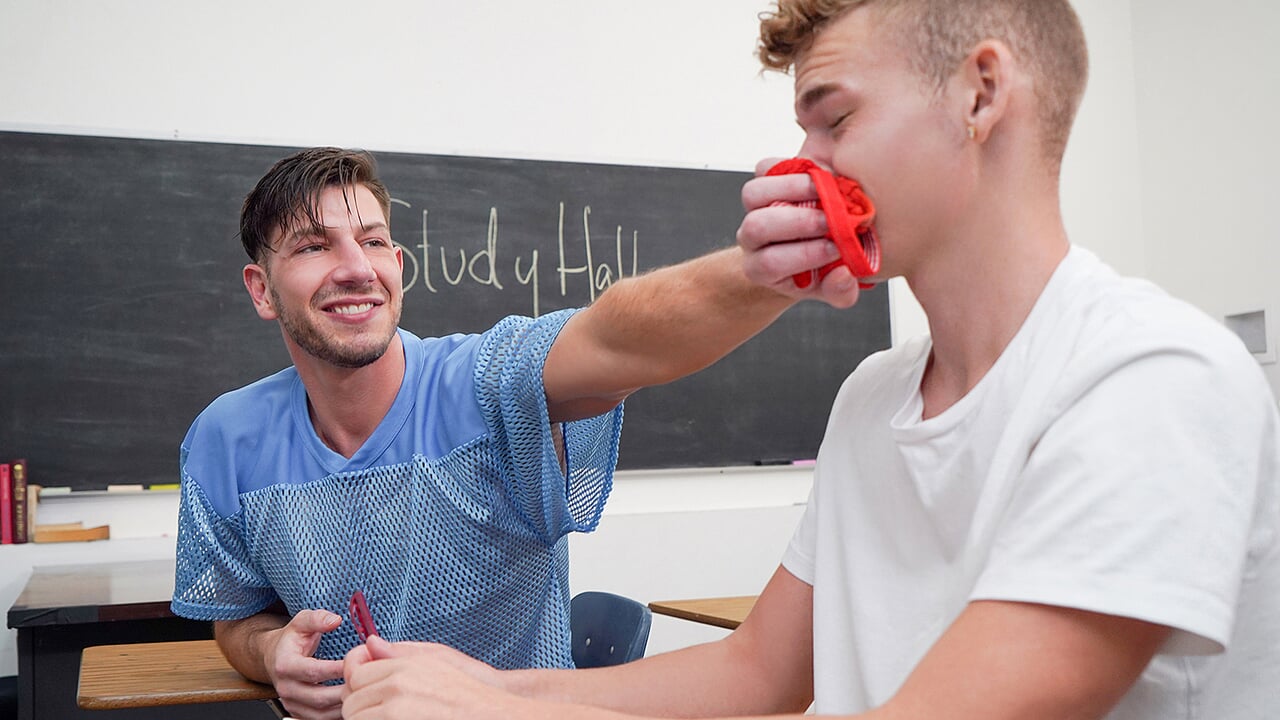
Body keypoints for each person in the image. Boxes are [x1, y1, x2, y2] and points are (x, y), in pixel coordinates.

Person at [339, 1, 1280, 718]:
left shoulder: (1154, 377)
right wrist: (498, 688)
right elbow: (759, 671)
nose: (804, 165)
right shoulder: (874, 396)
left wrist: (500, 716)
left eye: (833, 120)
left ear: (981, 94)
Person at [169, 147, 801, 720]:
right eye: (314, 246)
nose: (356, 267)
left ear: (399, 265)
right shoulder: (227, 439)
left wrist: (783, 262)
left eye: (373, 241)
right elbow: (235, 619)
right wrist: (270, 649)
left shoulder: (487, 383)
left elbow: (621, 340)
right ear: (262, 290)